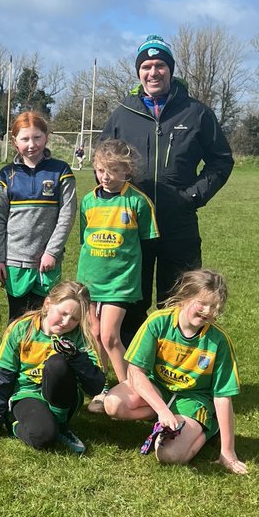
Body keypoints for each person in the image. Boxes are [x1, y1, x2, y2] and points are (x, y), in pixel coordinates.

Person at [100, 35, 233, 344]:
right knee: (131, 303)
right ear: (138, 72)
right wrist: (114, 201)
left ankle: (173, 375)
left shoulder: (196, 113)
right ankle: (134, 378)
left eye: (160, 65)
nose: (153, 72)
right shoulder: (122, 113)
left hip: (179, 225)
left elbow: (221, 161)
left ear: (171, 70)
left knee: (180, 303)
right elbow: (102, 162)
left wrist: (192, 197)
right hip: (131, 226)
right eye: (146, 66)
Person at [102, 269, 246, 473]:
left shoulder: (218, 341)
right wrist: (162, 410)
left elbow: (223, 396)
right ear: (185, 297)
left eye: (214, 307)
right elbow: (135, 372)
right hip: (159, 387)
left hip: (193, 399)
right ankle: (168, 419)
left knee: (168, 455)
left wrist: (228, 452)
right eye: (202, 303)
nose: (207, 311)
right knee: (113, 404)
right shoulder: (158, 322)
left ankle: (208, 428)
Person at [0, 280, 104, 454]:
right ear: (48, 304)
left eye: (75, 319)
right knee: (43, 437)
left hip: (65, 398)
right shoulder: (21, 328)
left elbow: (96, 385)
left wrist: (76, 357)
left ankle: (61, 426)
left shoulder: (80, 336)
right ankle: (14, 423)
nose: (66, 322)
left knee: (58, 363)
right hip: (27, 394)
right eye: (63, 313)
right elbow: (1, 374)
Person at [76, 139, 158, 413]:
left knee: (111, 336)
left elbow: (147, 245)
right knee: (95, 335)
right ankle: (101, 389)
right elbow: (84, 241)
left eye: (113, 170)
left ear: (127, 171)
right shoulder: (88, 201)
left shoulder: (138, 201)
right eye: (100, 170)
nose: (106, 177)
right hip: (89, 281)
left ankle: (130, 390)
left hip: (120, 283)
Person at [0, 111, 76, 321]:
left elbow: (67, 214)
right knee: (16, 320)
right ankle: (14, 354)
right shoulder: (6, 175)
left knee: (45, 319)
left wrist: (52, 252)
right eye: (25, 139)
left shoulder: (61, 171)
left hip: (46, 262)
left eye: (37, 137)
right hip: (14, 262)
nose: (31, 144)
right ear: (14, 141)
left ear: (46, 137)